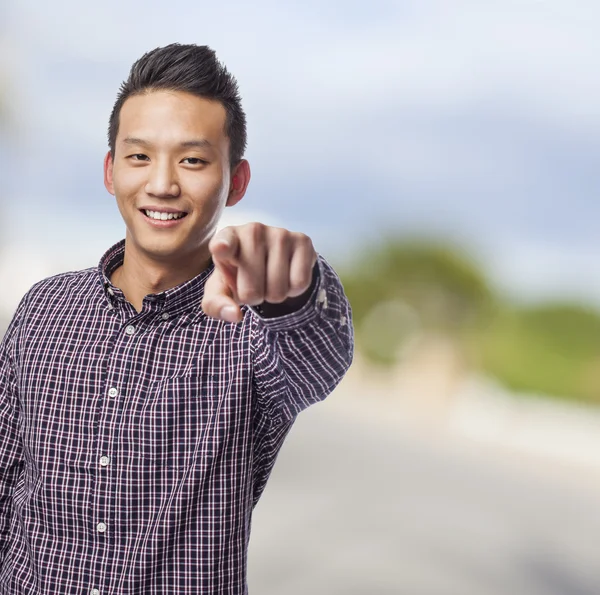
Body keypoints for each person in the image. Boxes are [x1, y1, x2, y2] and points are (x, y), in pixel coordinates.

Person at [0, 44, 353, 594]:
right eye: (139, 156)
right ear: (110, 169)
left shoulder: (251, 332)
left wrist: (295, 289)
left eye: (192, 160)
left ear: (236, 181)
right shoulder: (43, 309)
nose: (162, 184)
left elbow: (320, 350)